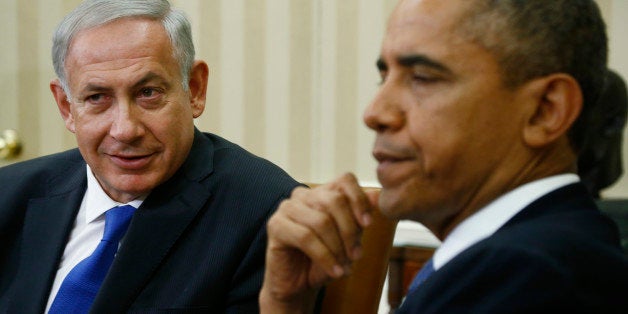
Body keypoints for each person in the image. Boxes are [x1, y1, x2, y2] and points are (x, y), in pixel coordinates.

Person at [259, 0, 628, 313]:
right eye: (384, 76)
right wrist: (286, 302)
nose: (375, 112)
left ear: (545, 111)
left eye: (422, 77)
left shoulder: (530, 275)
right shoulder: (510, 256)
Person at [0, 0, 299, 313]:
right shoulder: (9, 194)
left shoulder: (266, 214)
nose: (125, 130)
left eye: (148, 93)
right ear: (66, 107)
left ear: (194, 89)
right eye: (97, 97)